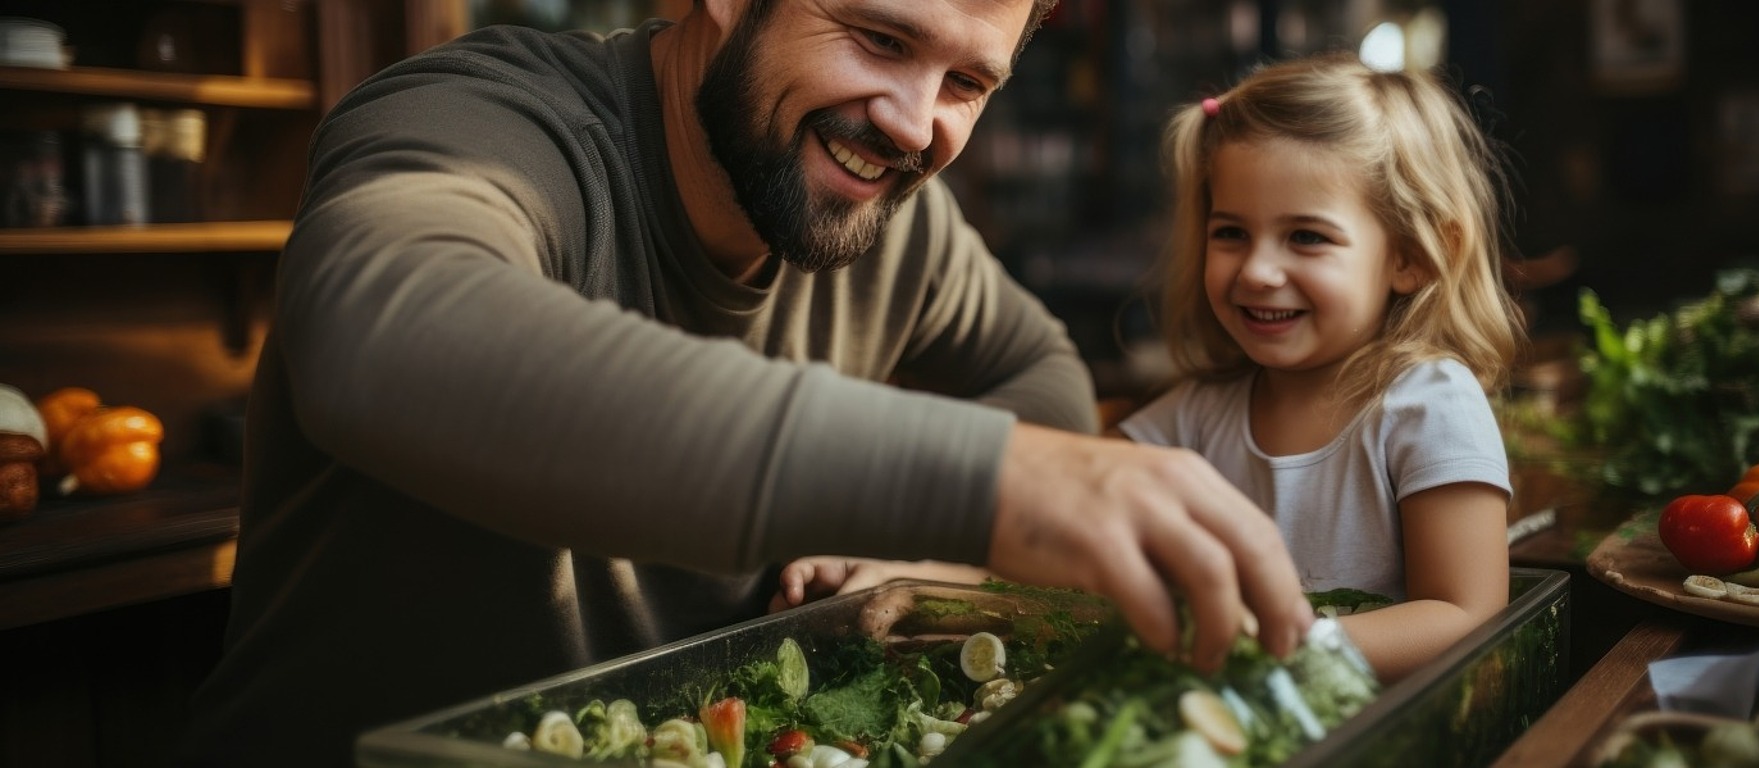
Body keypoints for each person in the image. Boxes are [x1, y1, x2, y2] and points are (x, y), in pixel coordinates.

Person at [179, 1, 1316, 763]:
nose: (915, 126)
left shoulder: (890, 218)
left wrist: (931, 552)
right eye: (877, 38)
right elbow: (382, 332)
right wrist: (989, 484)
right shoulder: (483, 121)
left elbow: (1036, 372)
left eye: (968, 81)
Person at [1120, 52, 1523, 682]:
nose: (1256, 271)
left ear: (1411, 257)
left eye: (1306, 236)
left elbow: (1465, 614)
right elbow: (1071, 505)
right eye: (1230, 233)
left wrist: (1278, 649)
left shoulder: (1428, 404)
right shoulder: (1196, 414)